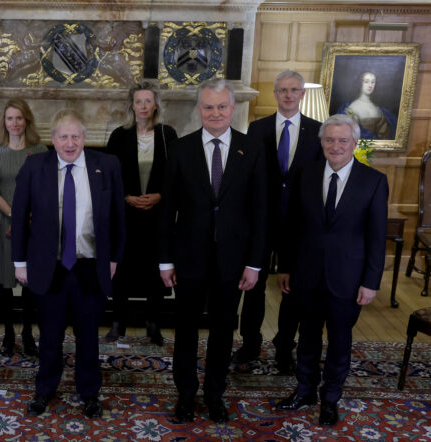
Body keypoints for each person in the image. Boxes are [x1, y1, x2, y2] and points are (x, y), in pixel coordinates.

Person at [159, 78, 267, 423]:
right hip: (189, 258)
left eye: (222, 106)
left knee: (223, 331)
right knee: (186, 330)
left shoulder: (252, 149)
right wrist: (165, 261)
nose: (215, 113)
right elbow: (166, 212)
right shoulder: (180, 149)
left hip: (233, 262)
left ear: (232, 108)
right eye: (208, 106)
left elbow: (261, 213)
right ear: (199, 109)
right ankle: (186, 396)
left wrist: (255, 263)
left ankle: (215, 394)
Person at [12, 109, 126, 419]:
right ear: (53, 139)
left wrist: (114, 258)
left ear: (85, 138)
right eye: (63, 136)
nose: (70, 143)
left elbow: (118, 218)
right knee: (50, 336)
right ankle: (45, 390)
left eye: (76, 136)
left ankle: (89, 393)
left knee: (88, 336)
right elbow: (20, 216)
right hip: (50, 268)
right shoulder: (35, 166)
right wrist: (19, 262)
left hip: (91, 266)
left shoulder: (107, 166)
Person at [275, 114, 388, 426]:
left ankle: (330, 399)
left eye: (342, 140)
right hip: (306, 273)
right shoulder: (304, 174)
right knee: (307, 335)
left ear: (353, 143)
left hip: (348, 279)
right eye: (329, 140)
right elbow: (291, 226)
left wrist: (371, 281)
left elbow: (377, 238)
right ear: (321, 142)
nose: (335, 146)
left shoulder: (374, 181)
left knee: (340, 341)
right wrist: (285, 267)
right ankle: (304, 391)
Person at [232, 71, 323, 374]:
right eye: (282, 90)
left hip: (299, 224)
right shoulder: (255, 130)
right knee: (253, 286)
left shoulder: (318, 131)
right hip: (259, 219)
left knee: (291, 288)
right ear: (274, 93)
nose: (287, 95)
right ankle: (249, 343)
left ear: (302, 94)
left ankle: (285, 346)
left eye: (293, 90)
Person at [104, 82, 177, 346]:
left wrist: (159, 196)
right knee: (121, 270)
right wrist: (125, 197)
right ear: (131, 105)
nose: (143, 106)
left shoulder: (168, 135)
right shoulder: (119, 136)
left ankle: (153, 325)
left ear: (155, 104)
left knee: (155, 271)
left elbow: (174, 176)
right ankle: (117, 323)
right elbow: (108, 177)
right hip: (126, 214)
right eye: (138, 101)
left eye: (148, 101)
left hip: (157, 214)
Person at [0, 99, 47, 357]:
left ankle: (28, 334)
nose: (15, 123)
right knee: (5, 284)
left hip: (33, 223)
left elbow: (44, 190)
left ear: (26, 120)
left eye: (19, 118)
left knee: (30, 283)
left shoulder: (40, 150)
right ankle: (8, 334)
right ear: (4, 122)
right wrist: (14, 218)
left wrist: (25, 220)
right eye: (10, 118)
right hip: (2, 221)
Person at [337, 71, 397, 140]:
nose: (370, 85)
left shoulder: (380, 110)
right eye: (366, 82)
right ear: (360, 83)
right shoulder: (349, 108)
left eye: (373, 82)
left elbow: (385, 136)